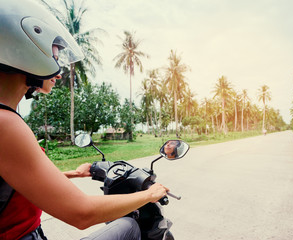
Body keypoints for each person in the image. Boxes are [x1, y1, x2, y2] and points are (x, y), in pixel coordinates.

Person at [0, 0, 168, 239]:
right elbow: (81, 213)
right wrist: (149, 195)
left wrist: (72, 174)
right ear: (23, 49)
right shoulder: (6, 124)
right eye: (54, 56)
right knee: (127, 227)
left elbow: (18, 179)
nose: (59, 71)